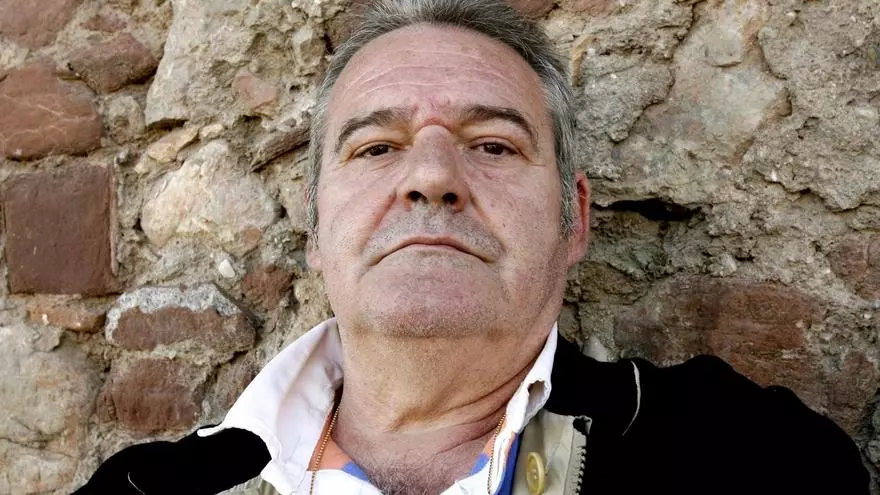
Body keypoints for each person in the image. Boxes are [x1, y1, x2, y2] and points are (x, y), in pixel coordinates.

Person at [76, 0, 869, 493]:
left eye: (492, 144)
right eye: (376, 147)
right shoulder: (146, 490)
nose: (431, 177)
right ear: (315, 229)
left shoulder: (749, 461)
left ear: (573, 219)